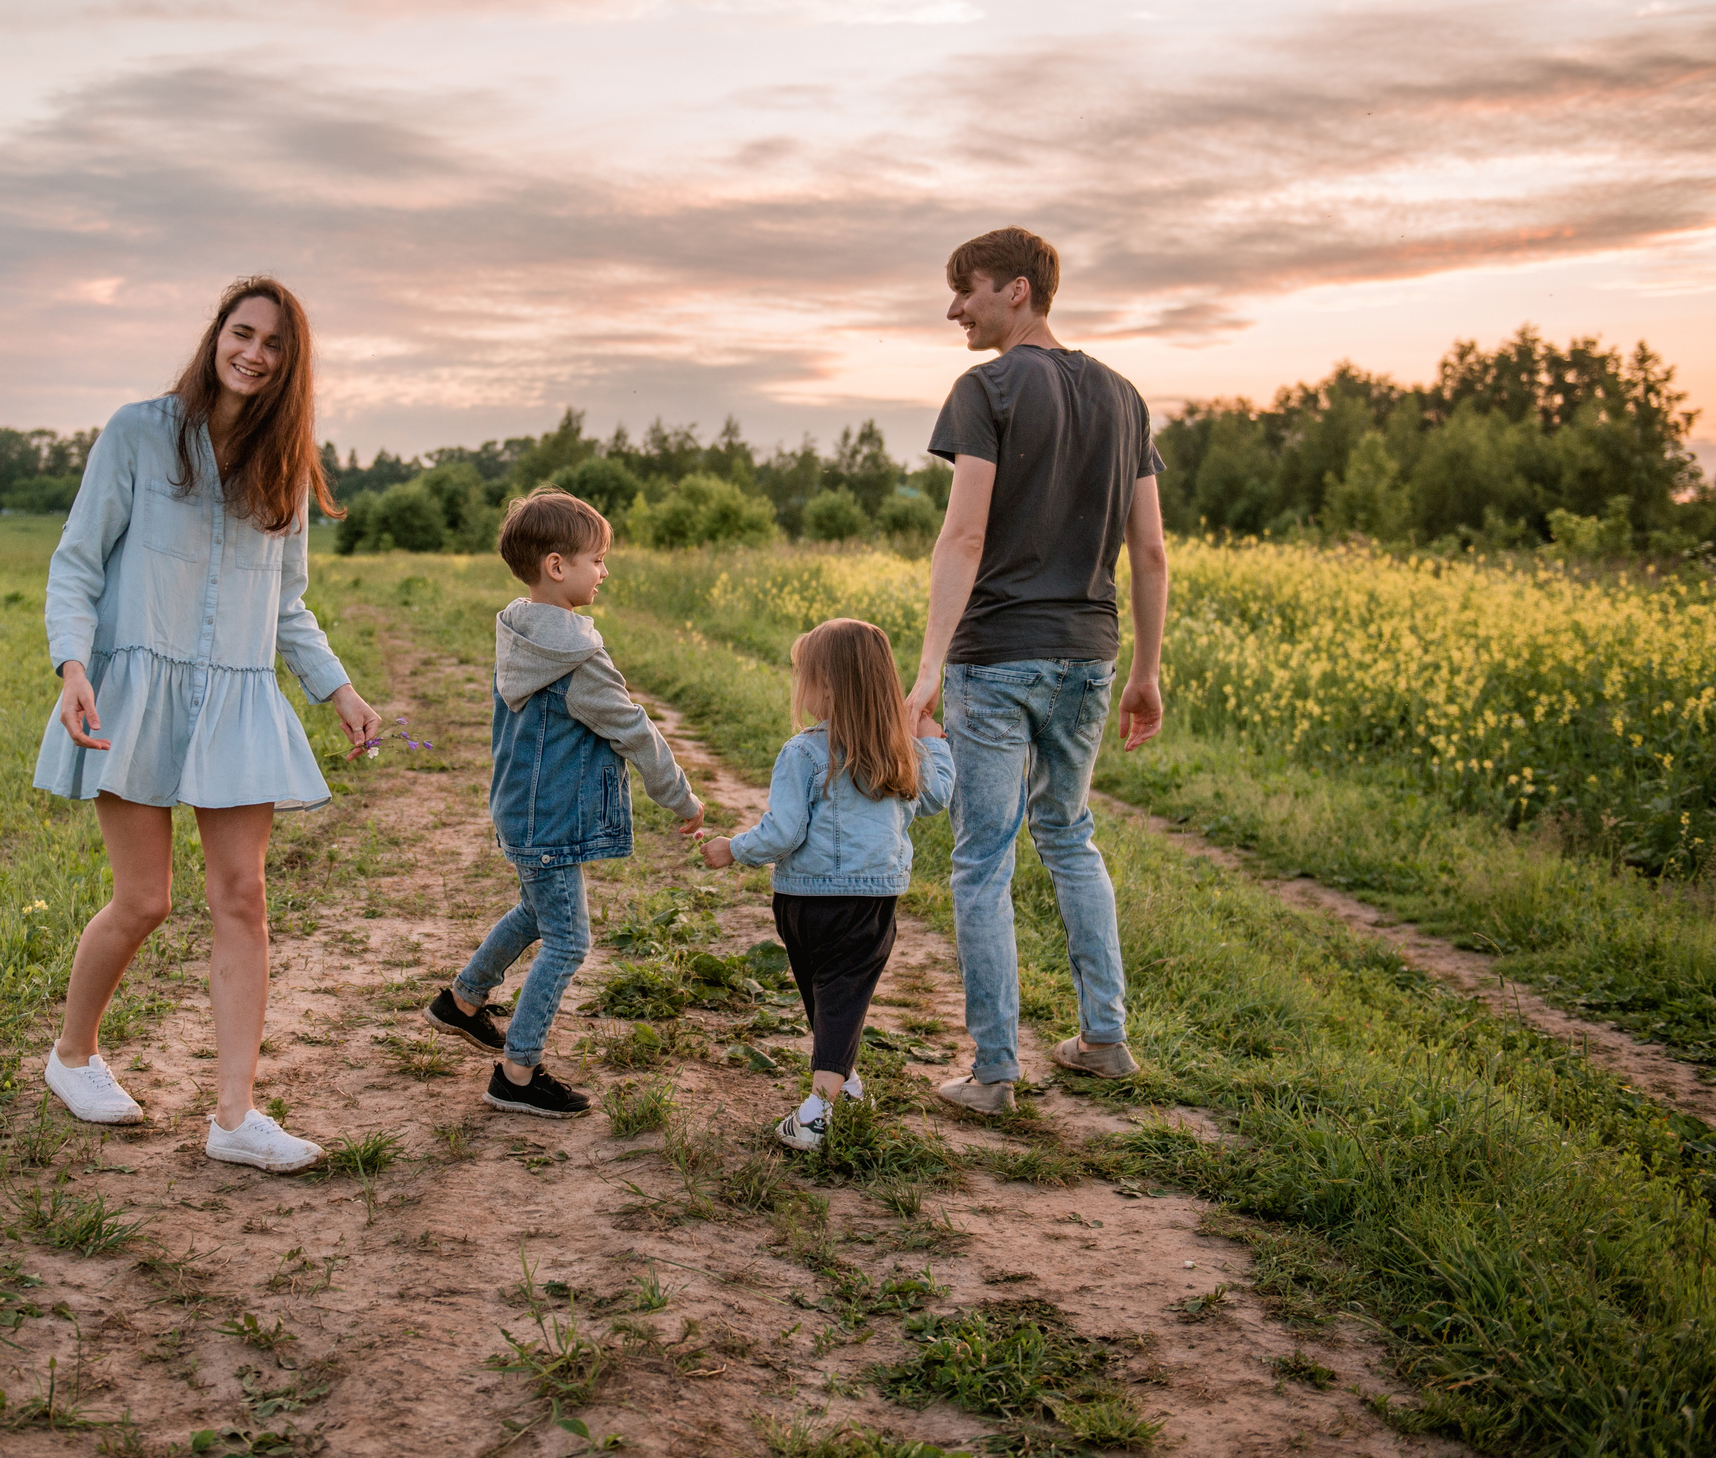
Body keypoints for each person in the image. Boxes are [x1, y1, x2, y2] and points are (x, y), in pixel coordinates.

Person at [34, 275, 380, 1173]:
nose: (254, 353)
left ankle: (235, 1115)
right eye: (243, 332)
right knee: (145, 897)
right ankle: (72, 1057)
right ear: (217, 334)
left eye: (274, 345)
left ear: (291, 366)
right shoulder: (139, 432)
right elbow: (75, 562)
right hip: (134, 691)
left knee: (243, 898)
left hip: (235, 697)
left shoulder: (286, 469)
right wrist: (73, 664)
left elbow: (288, 607)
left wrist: (337, 692)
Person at [901, 228, 1169, 1116]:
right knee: (1068, 833)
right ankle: (1103, 1037)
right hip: (1090, 657)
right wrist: (1147, 669)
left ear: (1017, 289)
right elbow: (1151, 550)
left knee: (982, 857)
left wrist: (929, 665)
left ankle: (993, 1074)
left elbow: (965, 534)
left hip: (999, 655)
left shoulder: (986, 388)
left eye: (965, 290)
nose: (954, 310)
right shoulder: (1126, 397)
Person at [422, 488, 704, 1117]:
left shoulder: (520, 630)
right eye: (597, 559)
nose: (604, 572)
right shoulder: (578, 658)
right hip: (552, 819)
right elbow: (634, 729)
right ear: (557, 565)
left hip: (520, 810)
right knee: (569, 941)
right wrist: (679, 797)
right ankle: (517, 1076)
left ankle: (462, 1002)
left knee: (535, 910)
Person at [700, 618, 953, 1152]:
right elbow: (935, 798)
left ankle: (819, 1111)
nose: (802, 690)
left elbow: (785, 831)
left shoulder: (804, 751)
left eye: (806, 678)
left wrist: (733, 847)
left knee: (826, 996)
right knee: (840, 999)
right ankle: (840, 1091)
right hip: (868, 904)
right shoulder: (901, 752)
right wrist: (936, 743)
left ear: (831, 687)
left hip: (801, 902)